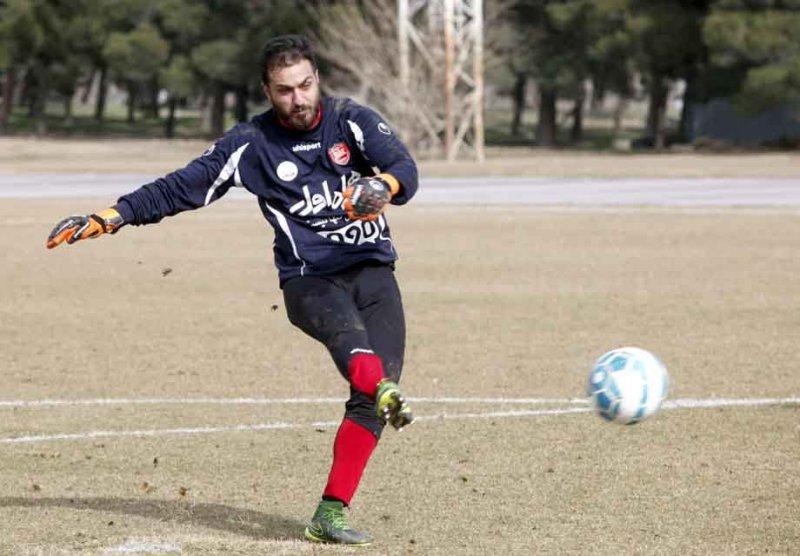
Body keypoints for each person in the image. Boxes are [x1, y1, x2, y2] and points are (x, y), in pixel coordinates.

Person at [46, 34, 417, 547]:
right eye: (285, 90)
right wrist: (108, 218)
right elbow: (181, 187)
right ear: (268, 90)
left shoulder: (352, 121)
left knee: (368, 397)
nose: (299, 98)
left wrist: (384, 187)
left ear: (317, 79)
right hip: (310, 281)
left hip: (373, 271)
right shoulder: (250, 145)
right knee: (356, 353)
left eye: (306, 85)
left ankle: (329, 514)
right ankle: (383, 390)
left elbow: (405, 171)